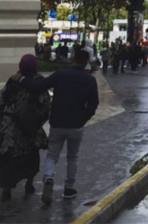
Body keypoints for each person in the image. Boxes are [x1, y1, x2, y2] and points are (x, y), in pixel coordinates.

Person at [15, 50, 99, 205]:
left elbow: (38, 86)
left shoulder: (61, 75)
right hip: (76, 126)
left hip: (57, 123)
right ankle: (69, 189)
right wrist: (83, 119)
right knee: (73, 157)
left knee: (52, 155)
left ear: (73, 58)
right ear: (86, 61)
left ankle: (48, 180)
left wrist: (21, 80)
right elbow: (93, 105)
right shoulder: (90, 80)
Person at [0, 55, 50, 201]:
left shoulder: (13, 80)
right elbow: (46, 104)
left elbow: (2, 100)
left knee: (9, 158)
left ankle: (7, 189)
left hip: (11, 128)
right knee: (31, 156)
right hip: (31, 129)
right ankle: (29, 183)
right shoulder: (39, 83)